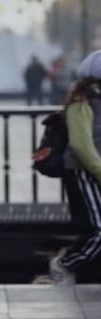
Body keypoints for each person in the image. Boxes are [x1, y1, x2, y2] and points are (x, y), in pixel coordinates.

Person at [43, 50, 101, 285]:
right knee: (98, 231)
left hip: (94, 170)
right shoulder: (82, 101)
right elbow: (81, 144)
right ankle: (64, 264)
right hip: (83, 171)